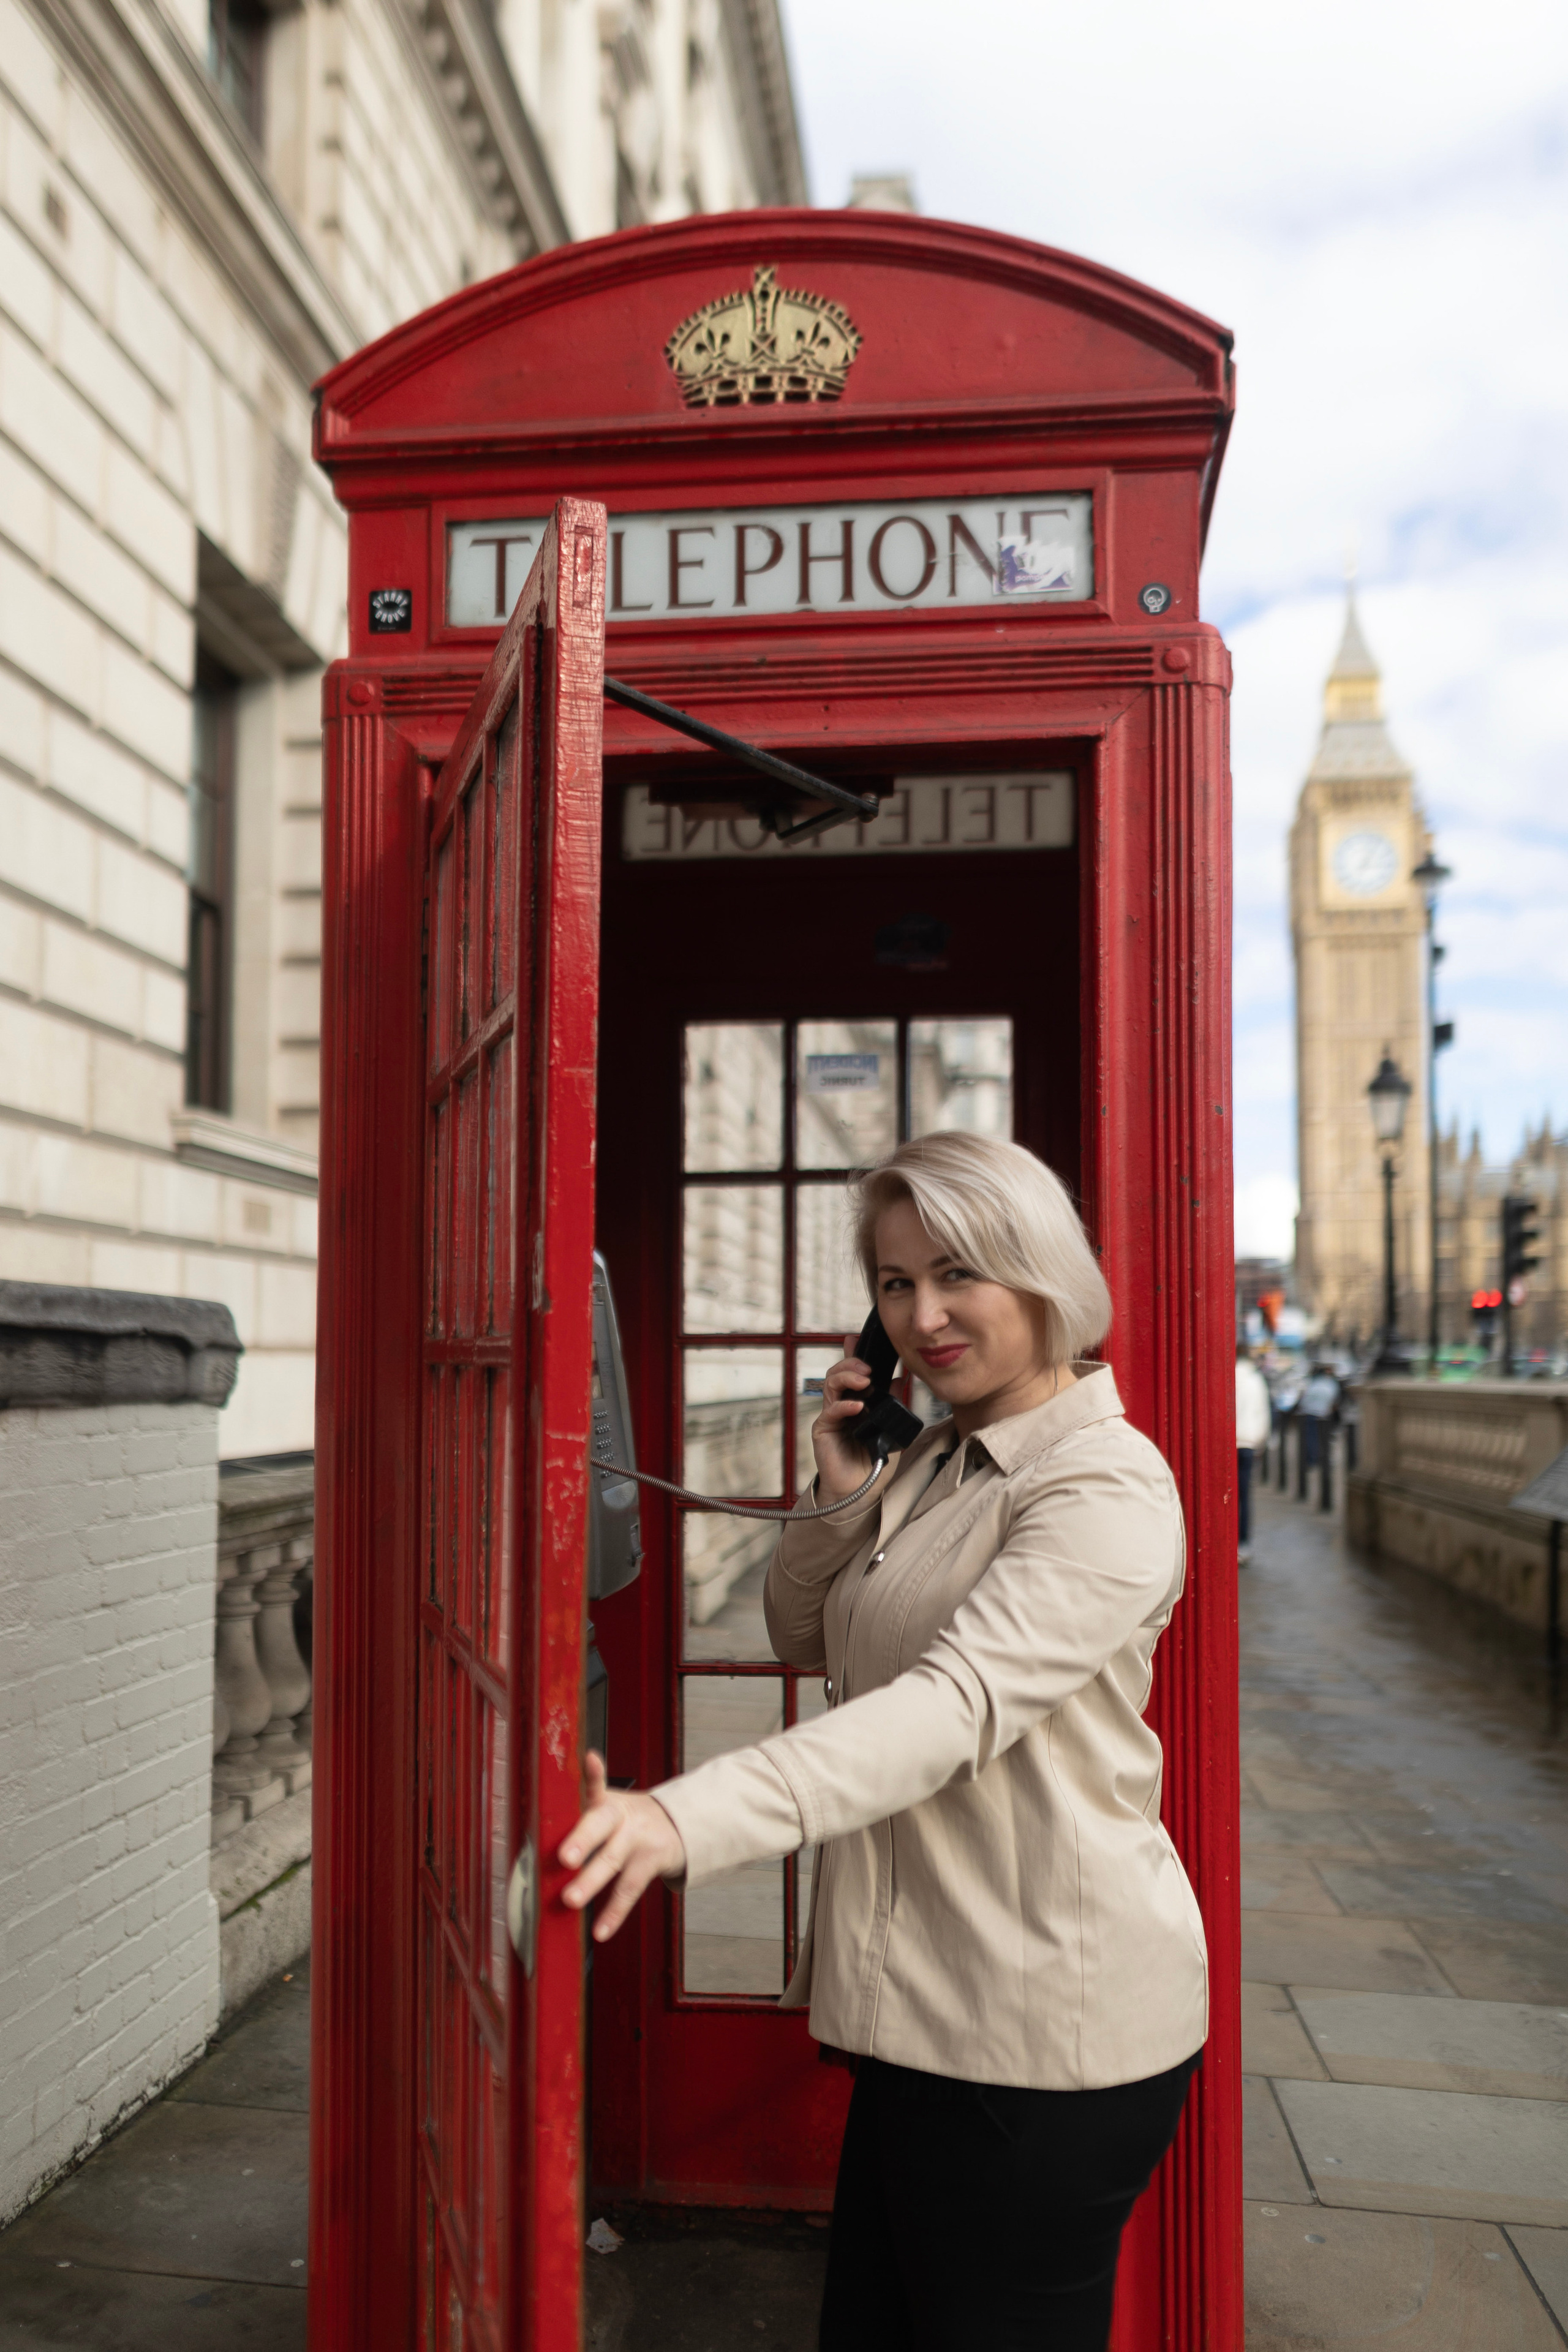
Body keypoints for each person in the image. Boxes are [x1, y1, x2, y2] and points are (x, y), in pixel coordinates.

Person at [560, 1132, 1207, 2351]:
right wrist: (840, 1480)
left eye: (957, 1272)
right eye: (896, 1283)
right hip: (920, 2018)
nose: (922, 1315)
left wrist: (677, 1817)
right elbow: (804, 1635)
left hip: (1039, 2040)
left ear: (1040, 1270)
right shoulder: (938, 1461)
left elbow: (947, 1708)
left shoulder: (1102, 1488)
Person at [1234, 1343, 1272, 1564]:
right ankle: (1244, 1544)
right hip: (1248, 1443)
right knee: (1245, 1496)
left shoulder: (1228, 1376)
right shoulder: (1257, 1380)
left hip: (1229, 1443)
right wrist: (1260, 1443)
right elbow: (1263, 1414)